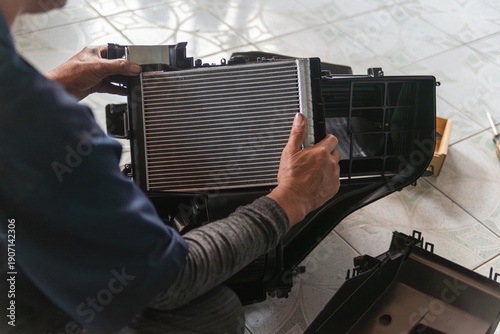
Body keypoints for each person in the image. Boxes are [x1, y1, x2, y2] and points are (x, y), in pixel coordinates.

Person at [0, 1, 341, 333]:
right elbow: (172, 279)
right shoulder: (52, 130)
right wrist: (291, 199)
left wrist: (52, 85)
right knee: (210, 315)